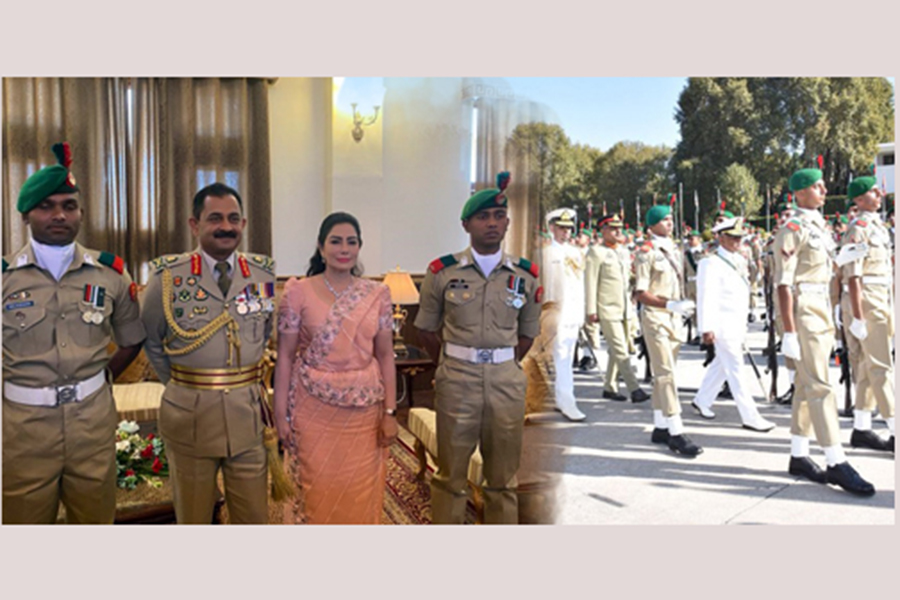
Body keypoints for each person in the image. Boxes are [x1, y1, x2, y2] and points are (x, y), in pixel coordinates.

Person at [3, 142, 146, 524]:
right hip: (22, 430)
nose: (59, 215)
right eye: (46, 206)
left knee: (96, 522)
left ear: (80, 212)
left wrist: (100, 378)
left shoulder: (110, 274)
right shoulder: (5, 279)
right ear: (25, 215)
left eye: (69, 205)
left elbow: (132, 338)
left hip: (92, 424)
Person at [141, 182, 276, 523]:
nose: (226, 226)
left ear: (243, 224)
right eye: (215, 218)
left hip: (248, 417)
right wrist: (186, 385)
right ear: (194, 224)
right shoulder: (168, 276)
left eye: (234, 218)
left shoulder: (262, 272)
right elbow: (152, 341)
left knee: (254, 518)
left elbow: (266, 333)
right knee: (194, 518)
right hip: (190, 417)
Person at [415, 172, 541, 524]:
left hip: (506, 383)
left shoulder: (526, 276)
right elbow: (425, 329)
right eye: (482, 217)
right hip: (457, 381)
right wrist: (451, 363)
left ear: (507, 223)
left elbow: (528, 334)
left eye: (498, 217)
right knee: (450, 477)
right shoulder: (442, 272)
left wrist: (500, 361)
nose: (492, 224)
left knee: (503, 481)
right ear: (466, 224)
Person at [272, 212, 397, 524]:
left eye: (351, 242)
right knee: (317, 491)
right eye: (336, 241)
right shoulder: (297, 291)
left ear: (359, 247)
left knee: (359, 489)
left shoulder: (377, 293)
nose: (344, 248)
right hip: (312, 411)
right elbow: (285, 356)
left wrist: (390, 413)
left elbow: (385, 355)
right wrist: (280, 416)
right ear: (321, 245)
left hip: (364, 412)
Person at [774, 168, 874, 496]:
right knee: (821, 387)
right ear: (800, 192)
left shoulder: (819, 225)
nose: (823, 188)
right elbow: (784, 283)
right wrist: (788, 331)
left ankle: (799, 455)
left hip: (821, 306)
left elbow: (820, 268)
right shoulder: (793, 227)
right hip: (804, 310)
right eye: (817, 186)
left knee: (805, 386)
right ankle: (836, 460)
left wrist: (844, 258)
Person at [690, 218, 776, 432]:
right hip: (721, 324)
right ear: (720, 237)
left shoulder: (739, 259)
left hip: (736, 322)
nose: (737, 241)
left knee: (722, 364)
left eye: (739, 237)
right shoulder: (709, 262)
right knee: (736, 368)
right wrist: (706, 327)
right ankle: (750, 416)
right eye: (732, 237)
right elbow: (706, 297)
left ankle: (702, 399)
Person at [634, 205, 700, 456]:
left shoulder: (674, 248)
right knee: (665, 375)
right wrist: (669, 304)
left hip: (672, 318)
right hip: (655, 317)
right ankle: (676, 430)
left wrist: (679, 306)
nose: (670, 223)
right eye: (664, 220)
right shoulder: (645, 252)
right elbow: (641, 293)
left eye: (672, 219)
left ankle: (660, 424)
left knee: (666, 373)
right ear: (652, 225)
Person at [841, 177, 894, 452]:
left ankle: (862, 427)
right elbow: (853, 275)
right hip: (867, 300)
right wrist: (858, 317)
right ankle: (895, 427)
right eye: (873, 191)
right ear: (859, 200)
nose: (879, 193)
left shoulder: (878, 227)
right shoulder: (858, 229)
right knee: (881, 366)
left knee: (865, 368)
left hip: (881, 297)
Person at [585, 214, 649, 403]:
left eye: (619, 227)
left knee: (615, 350)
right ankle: (634, 388)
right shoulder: (596, 252)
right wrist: (590, 310)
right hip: (607, 307)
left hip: (625, 308)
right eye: (613, 228)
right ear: (603, 231)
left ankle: (610, 387)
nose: (618, 231)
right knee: (621, 349)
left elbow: (627, 276)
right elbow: (590, 282)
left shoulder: (621, 251)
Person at [533, 207, 588, 421]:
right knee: (557, 358)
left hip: (572, 312)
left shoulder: (575, 253)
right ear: (552, 228)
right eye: (562, 228)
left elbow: (579, 285)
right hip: (554, 313)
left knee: (565, 358)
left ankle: (562, 398)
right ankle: (565, 401)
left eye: (569, 229)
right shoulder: (546, 254)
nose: (566, 233)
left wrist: (581, 313)